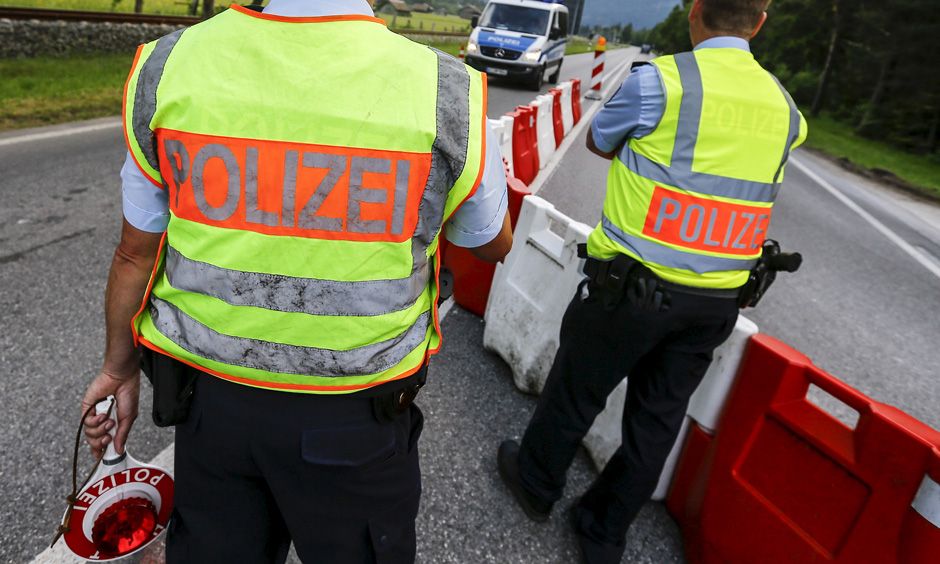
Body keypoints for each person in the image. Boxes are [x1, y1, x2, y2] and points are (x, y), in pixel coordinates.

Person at [79, 0, 512, 562]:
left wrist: (118, 369)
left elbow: (133, 255)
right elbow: (491, 242)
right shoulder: (446, 89)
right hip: (355, 420)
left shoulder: (170, 65)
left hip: (211, 411)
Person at [497, 0, 807, 562]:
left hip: (631, 289)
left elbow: (599, 141)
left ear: (696, 11)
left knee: (575, 392)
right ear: (760, 22)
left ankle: (536, 484)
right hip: (716, 301)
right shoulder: (786, 109)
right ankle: (603, 530)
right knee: (656, 422)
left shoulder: (661, 82)